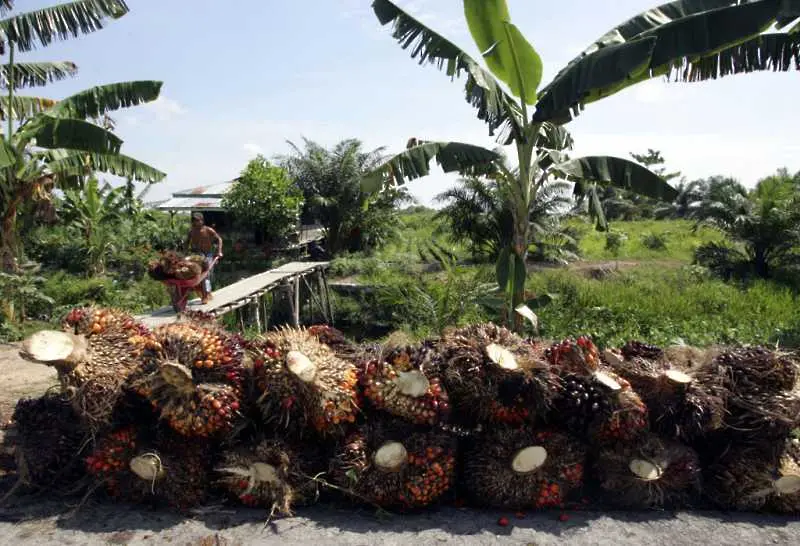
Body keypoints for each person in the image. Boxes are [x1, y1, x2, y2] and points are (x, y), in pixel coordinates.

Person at [186, 212, 223, 304]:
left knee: (206, 275)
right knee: (198, 274)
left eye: (197, 221)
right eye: (193, 221)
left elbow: (219, 239)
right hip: (197, 255)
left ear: (202, 221)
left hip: (208, 255)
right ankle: (204, 294)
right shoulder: (192, 231)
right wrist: (185, 251)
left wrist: (219, 251)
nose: (195, 223)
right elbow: (186, 242)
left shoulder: (208, 230)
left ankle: (206, 295)